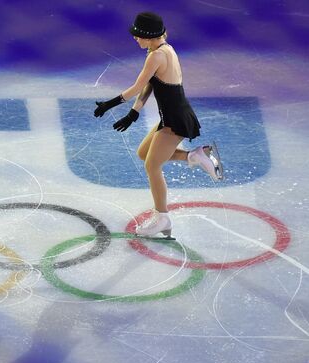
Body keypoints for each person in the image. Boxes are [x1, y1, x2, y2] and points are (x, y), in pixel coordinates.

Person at [93, 11, 223, 238]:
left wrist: (108, 105)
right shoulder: (163, 49)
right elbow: (150, 85)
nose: (134, 38)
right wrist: (134, 113)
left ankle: (162, 217)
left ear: (149, 36)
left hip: (175, 119)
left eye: (137, 35)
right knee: (144, 153)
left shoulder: (156, 56)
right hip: (171, 115)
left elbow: (135, 87)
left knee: (152, 166)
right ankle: (195, 155)